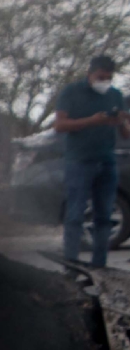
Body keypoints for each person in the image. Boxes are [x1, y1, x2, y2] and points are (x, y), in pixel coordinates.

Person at [54, 55, 130, 266]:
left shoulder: (115, 95)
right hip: (79, 161)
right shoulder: (71, 92)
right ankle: (71, 263)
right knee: (76, 215)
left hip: (107, 162)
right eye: (100, 77)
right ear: (90, 73)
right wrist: (92, 121)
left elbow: (126, 134)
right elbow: (60, 125)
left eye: (108, 78)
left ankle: (100, 265)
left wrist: (121, 121)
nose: (104, 81)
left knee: (104, 216)